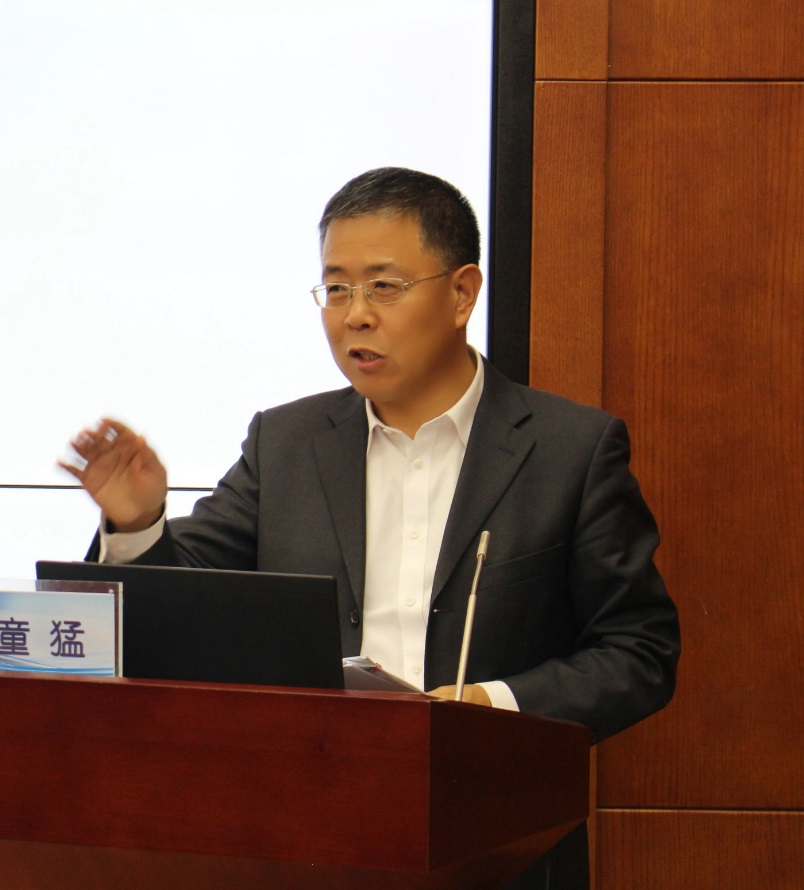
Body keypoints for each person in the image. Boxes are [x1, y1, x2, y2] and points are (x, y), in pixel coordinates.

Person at [59, 167, 680, 889]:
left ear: (462, 293)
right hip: (304, 842)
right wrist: (138, 523)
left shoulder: (570, 450)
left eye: (384, 286)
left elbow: (638, 652)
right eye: (337, 288)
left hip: (495, 846)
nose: (355, 315)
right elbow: (186, 612)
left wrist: (493, 707)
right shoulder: (286, 444)